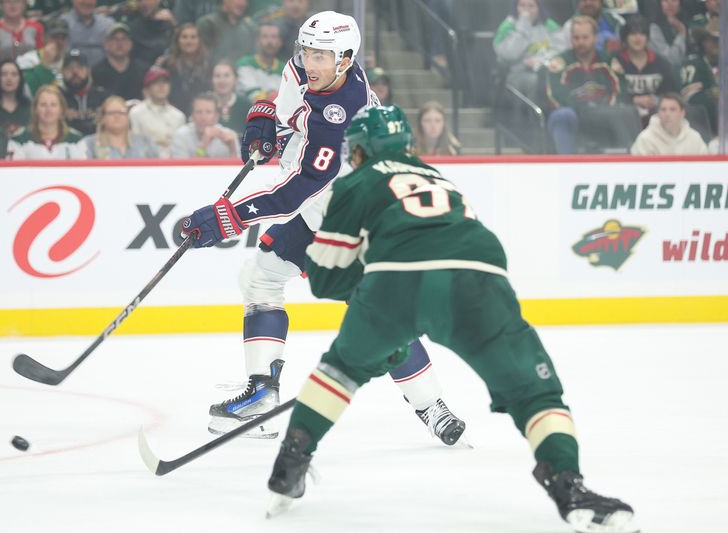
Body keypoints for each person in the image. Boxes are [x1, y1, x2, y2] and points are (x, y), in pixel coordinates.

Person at [264, 105, 638, 533]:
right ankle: (570, 486)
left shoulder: (355, 182)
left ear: (361, 150)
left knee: (340, 369)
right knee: (535, 392)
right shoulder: (440, 178)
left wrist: (383, 321)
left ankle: (290, 463)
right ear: (407, 144)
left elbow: (326, 279)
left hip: (395, 283)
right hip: (480, 280)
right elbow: (453, 247)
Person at [179, 11, 466, 445]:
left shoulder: (343, 115)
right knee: (261, 279)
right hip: (324, 210)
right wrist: (265, 119)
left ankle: (431, 405)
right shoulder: (305, 69)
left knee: (375, 314)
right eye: (307, 50)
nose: (310, 62)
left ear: (346, 59)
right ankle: (263, 395)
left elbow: (296, 190)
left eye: (322, 55)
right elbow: (288, 110)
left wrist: (228, 216)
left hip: (351, 216)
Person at [546, 16, 638, 153]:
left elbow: (621, 91)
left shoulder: (609, 61)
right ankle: (567, 166)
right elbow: (555, 95)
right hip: (574, 116)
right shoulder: (560, 62)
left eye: (585, 37)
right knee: (563, 115)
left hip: (604, 115)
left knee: (628, 112)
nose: (580, 42)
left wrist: (603, 110)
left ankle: (627, 165)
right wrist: (584, 111)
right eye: (576, 38)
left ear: (596, 38)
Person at [612, 15, 678, 125]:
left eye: (642, 33)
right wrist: (632, 100)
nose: (638, 38)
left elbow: (672, 93)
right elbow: (610, 93)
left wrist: (656, 100)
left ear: (647, 37)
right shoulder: (614, 61)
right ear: (625, 38)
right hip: (624, 117)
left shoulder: (662, 63)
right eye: (633, 34)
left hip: (657, 117)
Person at [493, 0, 563, 99]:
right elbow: (509, 54)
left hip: (547, 71)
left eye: (531, 6)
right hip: (516, 73)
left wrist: (540, 61)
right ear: (516, 7)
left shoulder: (549, 25)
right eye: (522, 5)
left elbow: (561, 49)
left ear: (539, 8)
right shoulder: (507, 26)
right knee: (535, 81)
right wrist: (523, 25)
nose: (526, 10)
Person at [8, 84, 86, 159]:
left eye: (53, 105)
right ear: (35, 109)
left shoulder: (76, 140)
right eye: (43, 104)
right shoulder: (19, 140)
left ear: (61, 109)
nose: (48, 109)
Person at [129, 65, 185, 158]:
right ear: (147, 88)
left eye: (165, 82)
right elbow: (135, 144)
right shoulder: (136, 113)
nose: (161, 86)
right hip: (146, 163)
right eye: (155, 82)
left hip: (173, 163)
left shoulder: (179, 116)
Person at [80, 95, 158, 158]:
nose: (117, 116)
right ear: (102, 118)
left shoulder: (145, 142)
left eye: (121, 112)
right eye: (111, 113)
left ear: (128, 117)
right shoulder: (89, 143)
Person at [630, 92, 708, 154]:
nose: (667, 114)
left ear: (682, 113)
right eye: (663, 110)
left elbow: (705, 168)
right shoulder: (646, 139)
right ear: (658, 113)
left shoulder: (694, 138)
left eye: (672, 109)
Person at [170, 92, 239, 158]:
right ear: (192, 115)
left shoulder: (229, 136)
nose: (203, 117)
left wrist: (232, 148)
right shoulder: (181, 136)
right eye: (199, 112)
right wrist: (203, 145)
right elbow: (182, 169)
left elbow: (239, 169)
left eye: (208, 112)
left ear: (216, 116)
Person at [92, 22, 149, 102]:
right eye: (114, 39)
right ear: (106, 44)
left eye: (124, 39)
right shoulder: (96, 72)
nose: (119, 43)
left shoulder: (144, 70)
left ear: (131, 44)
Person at [680, 17, 719, 136]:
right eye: (714, 40)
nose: (719, 44)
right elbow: (691, 100)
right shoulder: (693, 64)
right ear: (704, 41)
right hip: (703, 131)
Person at [162, 23, 211, 115]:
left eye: (193, 37)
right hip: (172, 112)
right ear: (177, 41)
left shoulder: (209, 65)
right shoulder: (167, 64)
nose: (189, 41)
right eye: (184, 37)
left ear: (199, 40)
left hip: (202, 113)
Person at [18, 17, 70, 96]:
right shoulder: (27, 60)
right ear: (44, 37)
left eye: (63, 37)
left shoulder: (71, 61)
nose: (59, 42)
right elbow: (26, 91)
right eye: (55, 37)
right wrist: (44, 64)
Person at [236, 21, 284, 102]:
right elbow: (253, 97)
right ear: (257, 41)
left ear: (279, 42)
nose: (270, 41)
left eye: (274, 37)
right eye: (265, 36)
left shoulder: (285, 69)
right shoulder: (245, 64)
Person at [557, 0, 623, 54]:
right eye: (584, 0)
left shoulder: (616, 20)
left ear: (601, 2)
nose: (588, 3)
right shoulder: (569, 26)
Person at [0, 59, 31, 138]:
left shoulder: (28, 107)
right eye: (4, 74)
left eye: (14, 74)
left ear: (20, 79)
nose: (9, 78)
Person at [61, 0, 115, 66]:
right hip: (72, 73)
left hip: (103, 74)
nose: (87, 2)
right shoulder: (62, 24)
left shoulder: (108, 24)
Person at [124, 0, 176, 65]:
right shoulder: (132, 23)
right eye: (140, 1)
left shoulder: (167, 20)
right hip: (141, 66)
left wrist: (173, 23)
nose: (144, 3)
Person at [211, 60, 252, 135]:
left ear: (235, 80)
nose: (222, 80)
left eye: (227, 76)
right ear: (211, 80)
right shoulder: (203, 103)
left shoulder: (246, 105)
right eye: (217, 76)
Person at [648, 0, 689, 69]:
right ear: (660, 4)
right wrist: (681, 33)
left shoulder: (686, 22)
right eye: (666, 1)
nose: (670, 4)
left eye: (674, 0)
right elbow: (671, 60)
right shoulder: (654, 28)